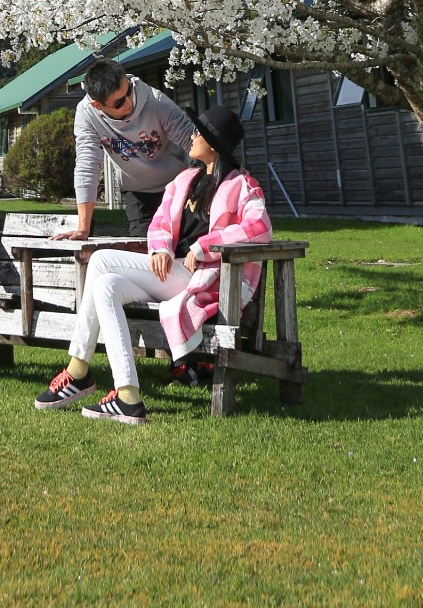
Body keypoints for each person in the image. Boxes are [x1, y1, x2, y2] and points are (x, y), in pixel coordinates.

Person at [35, 102, 272, 424]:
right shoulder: (185, 180)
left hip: (205, 279)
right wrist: (159, 249)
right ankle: (128, 396)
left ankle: (78, 371)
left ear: (214, 146)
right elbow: (159, 224)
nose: (191, 137)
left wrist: (204, 247)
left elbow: (259, 229)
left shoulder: (241, 186)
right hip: (170, 272)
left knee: (101, 260)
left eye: (198, 133)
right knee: (105, 285)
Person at [63, 59, 195, 241]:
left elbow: (193, 141)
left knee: (185, 245)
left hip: (178, 186)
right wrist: (83, 227)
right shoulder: (87, 114)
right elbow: (87, 165)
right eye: (118, 103)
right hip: (138, 192)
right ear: (98, 105)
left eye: (129, 92)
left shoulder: (155, 102)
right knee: (143, 248)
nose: (128, 102)